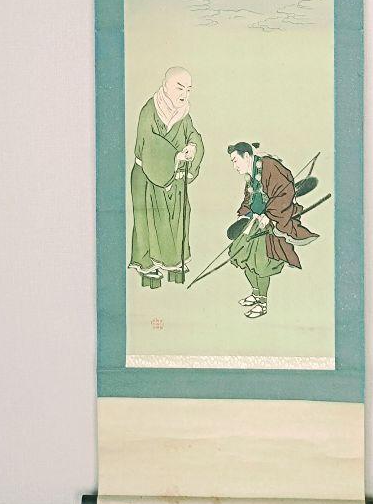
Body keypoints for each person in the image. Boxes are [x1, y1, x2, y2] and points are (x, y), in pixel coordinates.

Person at [129, 67, 205, 287]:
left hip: (175, 179)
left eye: (188, 89)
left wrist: (192, 147)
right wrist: (175, 156)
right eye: (180, 88)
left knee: (177, 218)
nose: (184, 94)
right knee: (147, 220)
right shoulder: (149, 110)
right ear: (166, 86)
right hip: (147, 177)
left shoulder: (184, 114)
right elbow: (148, 143)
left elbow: (193, 135)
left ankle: (173, 262)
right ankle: (147, 264)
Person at [226, 142, 317, 319]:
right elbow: (249, 199)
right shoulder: (250, 176)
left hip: (272, 222)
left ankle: (262, 302)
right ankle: (255, 293)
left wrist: (270, 215)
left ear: (246, 156)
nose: (234, 166)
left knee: (260, 262)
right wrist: (242, 214)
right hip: (255, 221)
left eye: (235, 160)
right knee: (241, 254)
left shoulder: (269, 166)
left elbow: (285, 192)